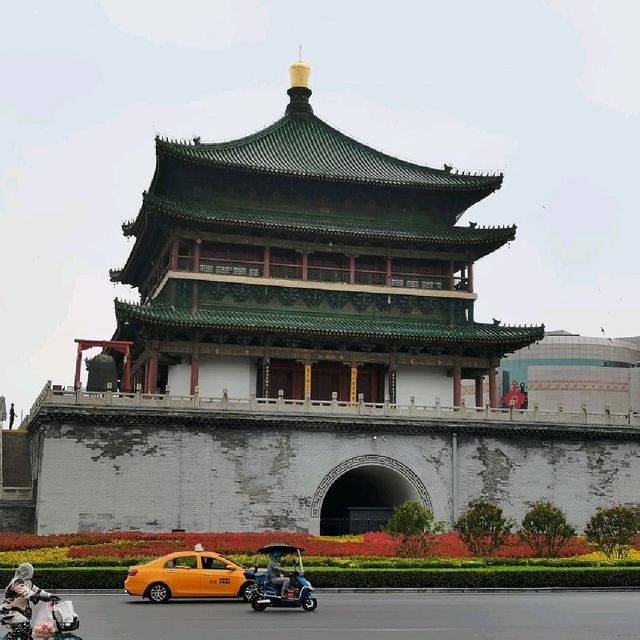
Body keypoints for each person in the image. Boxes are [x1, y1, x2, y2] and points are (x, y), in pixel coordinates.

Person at [0, 563, 59, 640]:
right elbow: (25, 591)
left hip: (18, 612)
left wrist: (49, 596)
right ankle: (9, 638)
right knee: (24, 624)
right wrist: (35, 596)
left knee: (27, 634)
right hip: (8, 611)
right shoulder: (16, 582)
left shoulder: (28, 582)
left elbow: (38, 591)